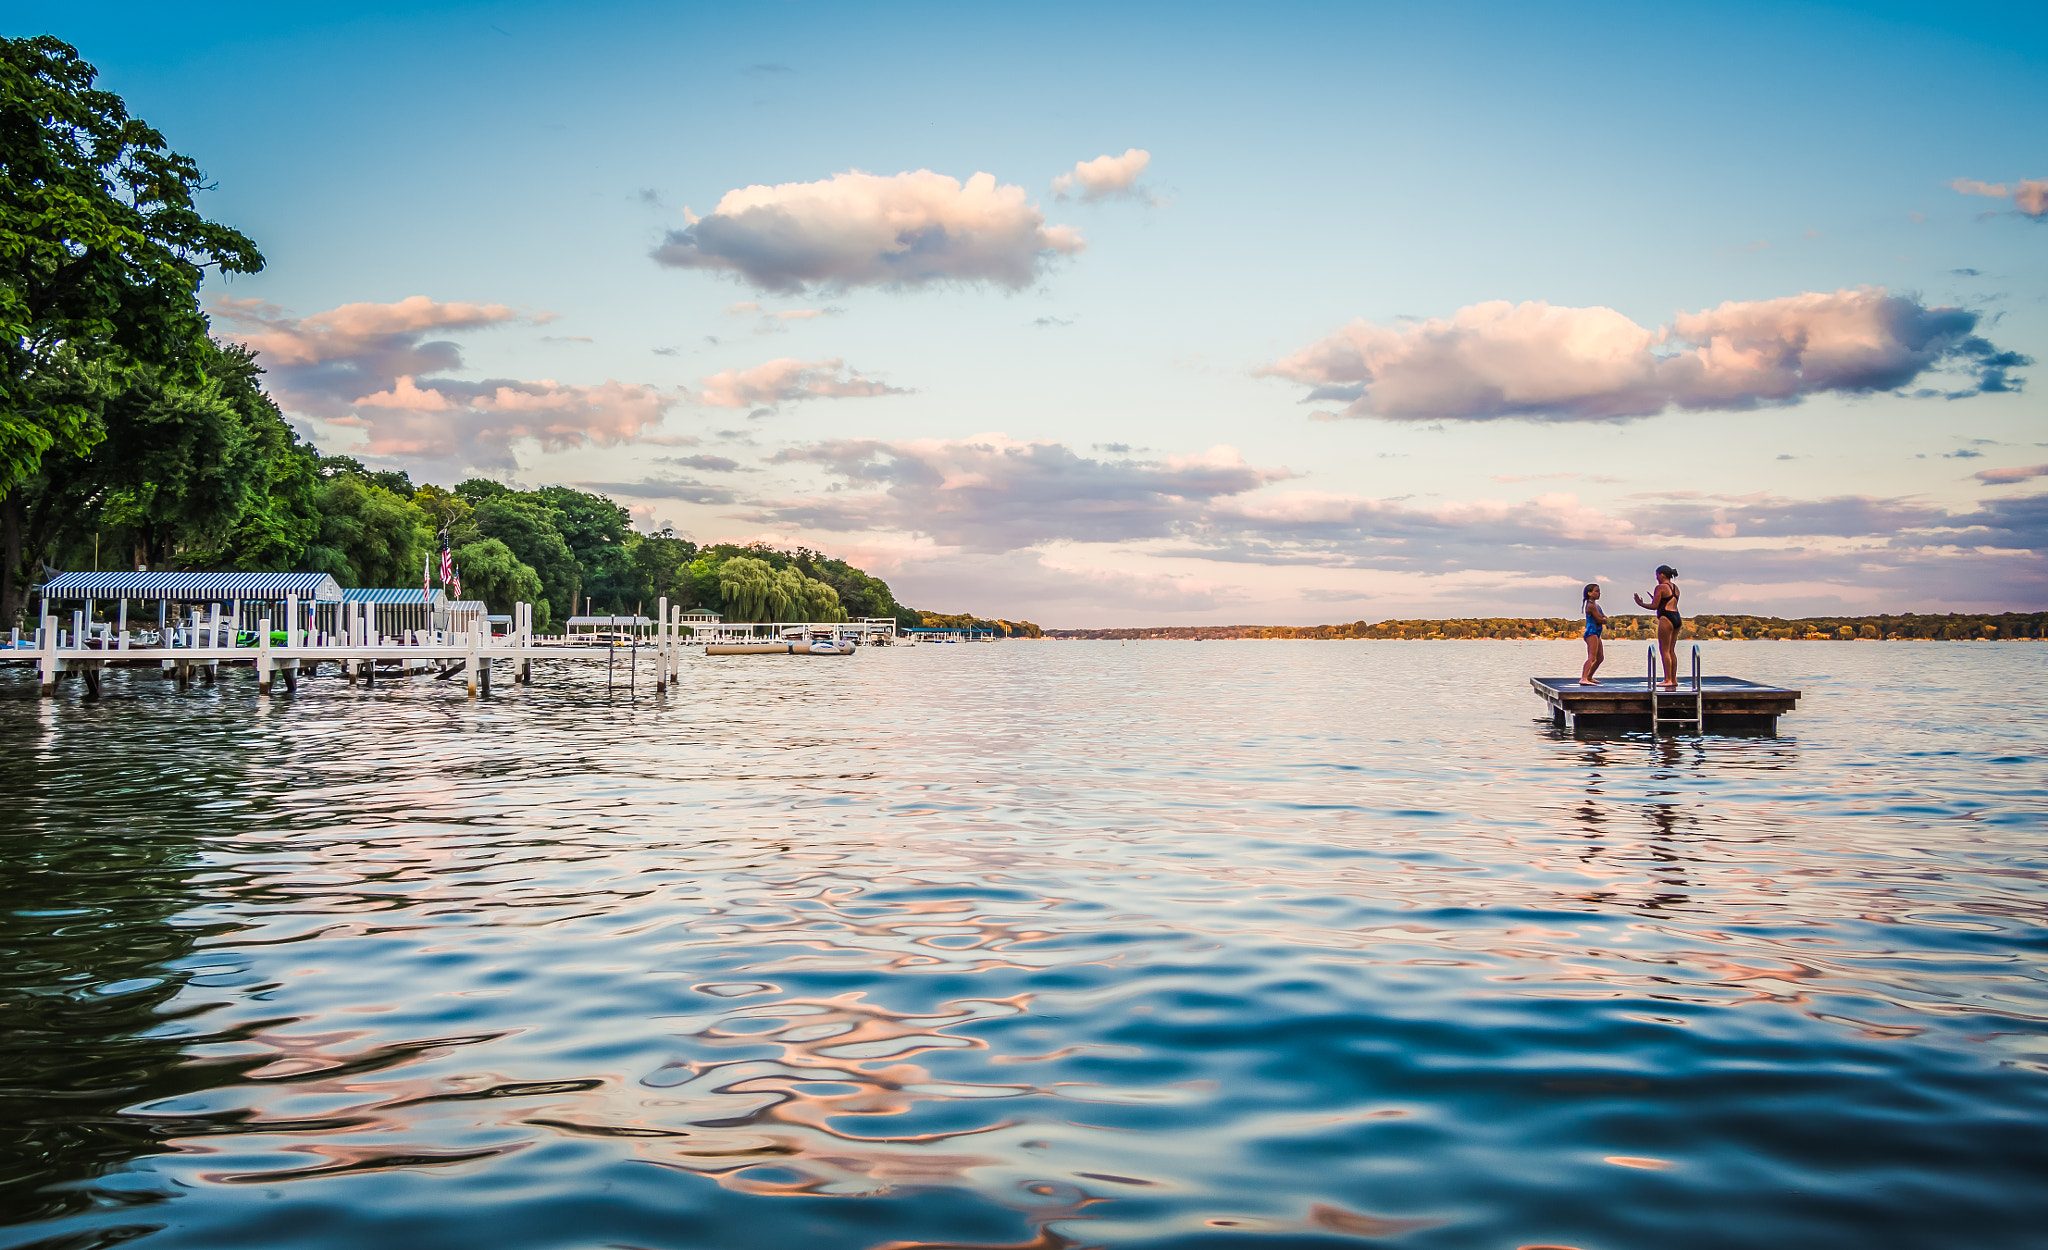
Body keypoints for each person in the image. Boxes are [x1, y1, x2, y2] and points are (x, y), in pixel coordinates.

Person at [1633, 565, 1682, 689]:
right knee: (1671, 650)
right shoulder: (1675, 588)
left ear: (1662, 575)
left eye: (1657, 575)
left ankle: (1667, 679)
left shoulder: (1660, 587)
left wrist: (1641, 603)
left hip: (1666, 617)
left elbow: (1654, 606)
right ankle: (1674, 679)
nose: (1656, 578)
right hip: (1676, 617)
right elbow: (1667, 602)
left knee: (1664, 650)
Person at [1579, 583, 1607, 684]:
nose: (1599, 593)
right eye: (1596, 591)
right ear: (1589, 593)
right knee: (1592, 657)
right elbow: (1600, 619)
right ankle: (1583, 678)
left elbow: (1603, 617)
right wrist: (1604, 619)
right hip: (1591, 633)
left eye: (1599, 591)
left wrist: (1603, 618)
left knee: (1600, 658)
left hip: (1597, 633)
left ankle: (1589, 677)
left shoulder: (1597, 605)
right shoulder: (1590, 605)